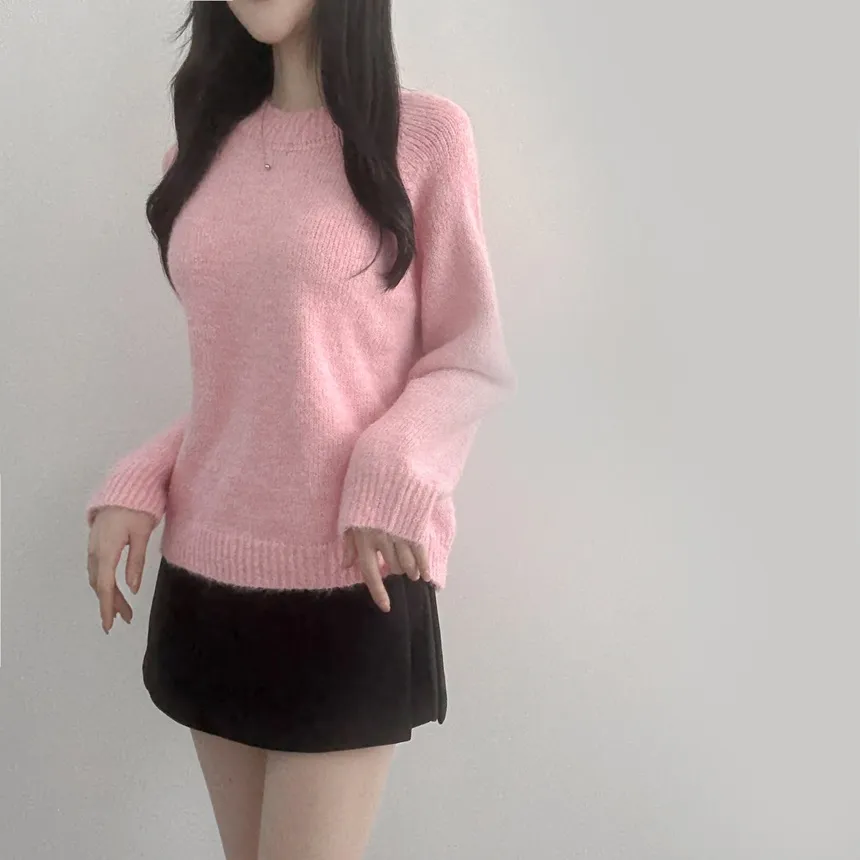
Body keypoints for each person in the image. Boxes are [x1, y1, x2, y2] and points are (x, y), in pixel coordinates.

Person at [84, 1, 514, 858]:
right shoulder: (200, 154)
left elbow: (470, 358)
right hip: (207, 578)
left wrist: (393, 464)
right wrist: (141, 477)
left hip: (354, 580)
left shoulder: (423, 138)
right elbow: (256, 386)